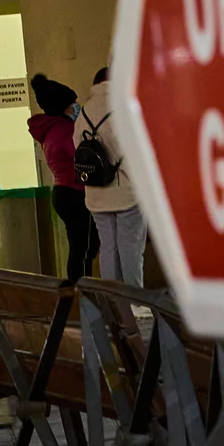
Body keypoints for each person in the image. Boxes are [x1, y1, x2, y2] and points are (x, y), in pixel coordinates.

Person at [74, 67, 146, 286]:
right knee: (130, 249)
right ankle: (135, 304)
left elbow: (78, 146)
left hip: (96, 194)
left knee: (107, 248)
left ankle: (112, 303)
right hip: (126, 193)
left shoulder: (84, 113)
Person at [28, 75, 97, 282]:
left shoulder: (50, 130)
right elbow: (83, 157)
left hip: (63, 193)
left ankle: (79, 292)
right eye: (72, 104)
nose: (77, 107)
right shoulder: (65, 131)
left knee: (80, 245)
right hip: (75, 194)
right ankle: (81, 293)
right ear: (63, 108)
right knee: (84, 248)